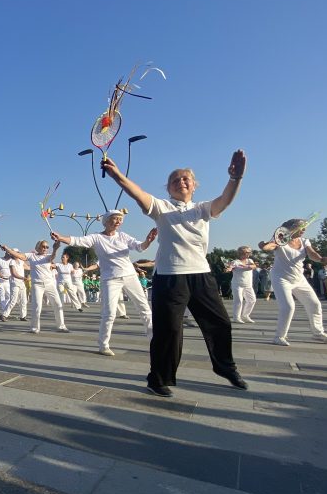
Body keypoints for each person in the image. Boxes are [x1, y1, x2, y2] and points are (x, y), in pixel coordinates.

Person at [102, 151, 249, 397]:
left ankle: (226, 368)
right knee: (168, 330)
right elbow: (137, 193)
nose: (181, 182)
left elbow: (225, 200)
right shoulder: (162, 207)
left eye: (186, 179)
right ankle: (158, 379)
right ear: (168, 188)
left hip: (201, 274)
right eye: (175, 180)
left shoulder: (203, 209)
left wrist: (236, 178)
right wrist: (116, 174)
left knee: (220, 324)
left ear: (194, 185)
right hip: (170, 277)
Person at [51, 210, 156, 354]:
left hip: (130, 276)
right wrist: (61, 237)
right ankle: (103, 345)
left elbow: (139, 247)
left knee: (144, 308)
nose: (118, 221)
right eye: (115, 218)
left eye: (120, 219)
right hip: (110, 279)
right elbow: (78, 240)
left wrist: (148, 241)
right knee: (109, 313)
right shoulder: (96, 238)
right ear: (106, 221)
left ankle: (155, 340)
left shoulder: (124, 236)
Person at [258, 219, 327, 346]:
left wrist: (321, 259)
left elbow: (312, 254)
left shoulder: (304, 241)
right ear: (291, 228)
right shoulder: (281, 239)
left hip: (299, 279)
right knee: (288, 307)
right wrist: (264, 246)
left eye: (305, 227)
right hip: (281, 278)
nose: (304, 230)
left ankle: (318, 333)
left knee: (315, 304)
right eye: (301, 227)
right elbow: (271, 246)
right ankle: (279, 337)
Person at [2, 240, 68, 333]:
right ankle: (34, 328)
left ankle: (61, 326)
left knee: (58, 304)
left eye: (47, 247)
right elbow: (19, 256)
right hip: (37, 285)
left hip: (50, 284)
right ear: (38, 247)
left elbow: (53, 256)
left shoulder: (48, 257)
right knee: (37, 307)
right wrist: (8, 249)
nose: (45, 248)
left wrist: (55, 249)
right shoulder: (31, 256)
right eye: (43, 246)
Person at [226, 247, 257, 323]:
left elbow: (254, 266)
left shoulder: (250, 260)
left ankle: (245, 316)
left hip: (248, 285)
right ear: (241, 253)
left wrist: (246, 266)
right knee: (238, 301)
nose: (249, 253)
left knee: (252, 300)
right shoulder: (235, 262)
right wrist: (228, 269)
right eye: (247, 252)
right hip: (237, 284)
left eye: (249, 252)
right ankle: (236, 317)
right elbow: (230, 267)